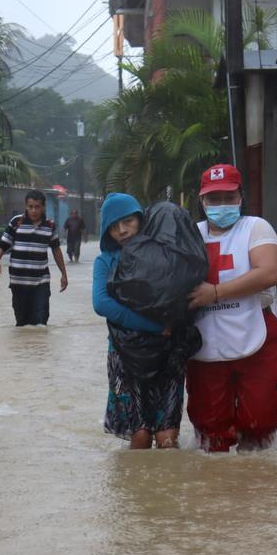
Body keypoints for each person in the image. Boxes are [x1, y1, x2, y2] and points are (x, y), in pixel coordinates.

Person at [186, 163, 277, 452]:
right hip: (204, 340)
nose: (221, 205)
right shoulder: (191, 233)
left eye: (228, 197)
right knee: (209, 430)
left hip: (256, 333)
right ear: (202, 201)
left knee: (261, 419)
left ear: (240, 197)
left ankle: (255, 485)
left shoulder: (256, 227)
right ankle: (218, 490)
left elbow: (269, 272)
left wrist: (215, 293)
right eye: (213, 199)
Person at [92, 192, 188, 449]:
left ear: (141, 220)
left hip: (168, 352)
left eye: (128, 222)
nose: (122, 231)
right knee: (140, 435)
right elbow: (101, 304)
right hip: (125, 354)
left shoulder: (164, 253)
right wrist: (154, 326)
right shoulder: (105, 262)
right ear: (106, 232)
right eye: (114, 227)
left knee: (167, 437)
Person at [0, 189, 68, 326]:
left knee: (41, 322)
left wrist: (64, 274)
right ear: (26, 206)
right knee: (22, 323)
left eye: (37, 207)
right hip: (18, 283)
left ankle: (39, 347)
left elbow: (56, 251)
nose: (33, 210)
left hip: (41, 282)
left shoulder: (50, 226)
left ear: (43, 207)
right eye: (30, 207)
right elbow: (2, 244)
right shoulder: (17, 222)